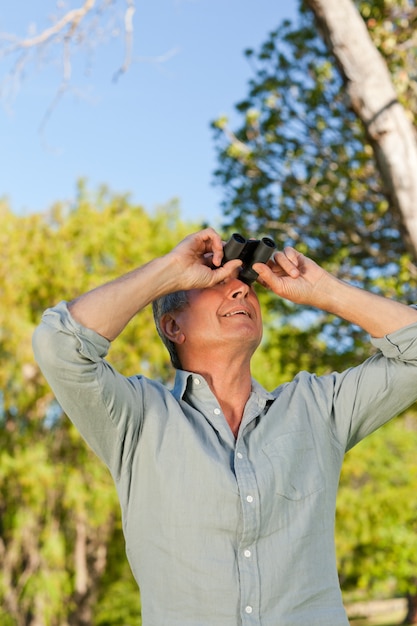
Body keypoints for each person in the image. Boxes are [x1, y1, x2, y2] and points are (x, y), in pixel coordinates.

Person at [33, 227, 417, 626]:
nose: (242, 292)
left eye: (246, 284)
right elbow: (60, 345)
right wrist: (168, 272)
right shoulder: (139, 419)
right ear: (172, 328)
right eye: (217, 283)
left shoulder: (317, 409)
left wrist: (325, 291)